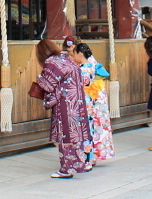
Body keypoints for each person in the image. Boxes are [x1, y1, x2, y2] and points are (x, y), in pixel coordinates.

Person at [35, 38, 92, 178]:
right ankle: (80, 163)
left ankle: (66, 169)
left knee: (65, 135)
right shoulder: (66, 59)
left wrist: (39, 79)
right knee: (76, 135)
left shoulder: (51, 62)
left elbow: (48, 85)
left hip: (65, 104)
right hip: (77, 102)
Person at [70, 42, 115, 163]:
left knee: (85, 130)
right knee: (92, 128)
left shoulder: (83, 70)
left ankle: (87, 159)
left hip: (84, 101)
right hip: (93, 100)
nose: (73, 56)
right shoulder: (93, 66)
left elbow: (76, 85)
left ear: (80, 53)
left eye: (74, 53)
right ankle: (92, 157)